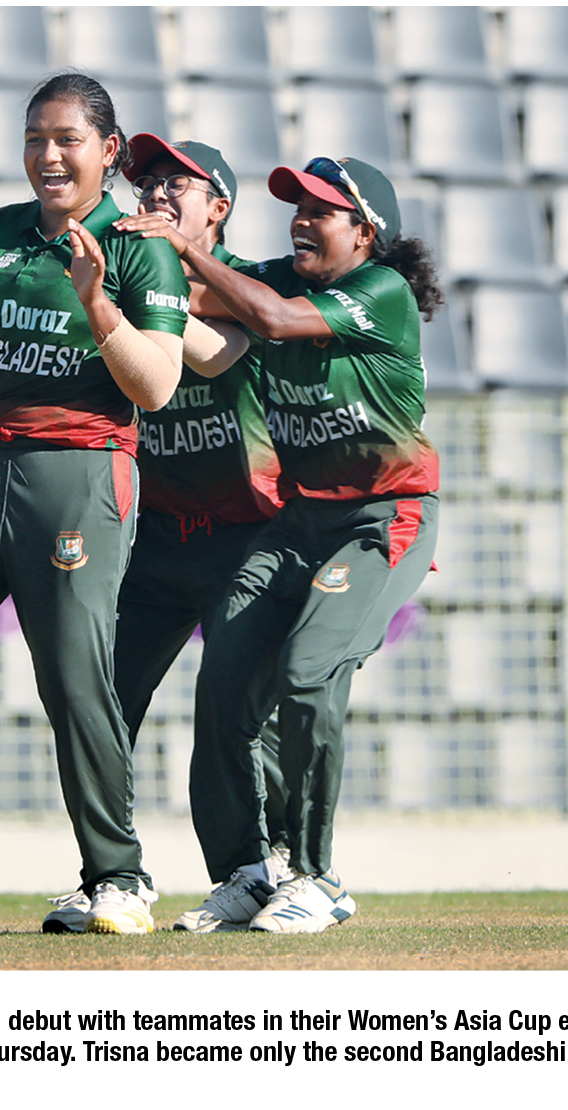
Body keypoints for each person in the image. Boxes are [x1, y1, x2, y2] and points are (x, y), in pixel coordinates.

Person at [0, 72, 190, 936]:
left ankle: (116, 876)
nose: (48, 156)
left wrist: (98, 304)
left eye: (66, 139)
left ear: (108, 151)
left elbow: (157, 386)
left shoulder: (138, 248)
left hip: (80, 470)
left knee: (71, 677)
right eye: (34, 139)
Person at [140, 155, 442, 933]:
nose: (301, 221)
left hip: (382, 517)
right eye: (296, 208)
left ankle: (316, 877)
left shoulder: (382, 290)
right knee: (223, 685)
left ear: (365, 232)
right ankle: (247, 874)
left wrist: (186, 246)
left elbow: (270, 319)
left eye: (320, 210)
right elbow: (191, 297)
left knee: (308, 674)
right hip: (300, 522)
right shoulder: (278, 277)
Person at [41, 134, 290, 934]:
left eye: (176, 184)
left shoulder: (244, 282)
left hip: (246, 536)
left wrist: (150, 288)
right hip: (157, 537)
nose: (154, 192)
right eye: (146, 181)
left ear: (218, 207)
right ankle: (112, 877)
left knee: (230, 707)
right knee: (99, 697)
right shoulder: (121, 269)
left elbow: (224, 349)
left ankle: (259, 869)